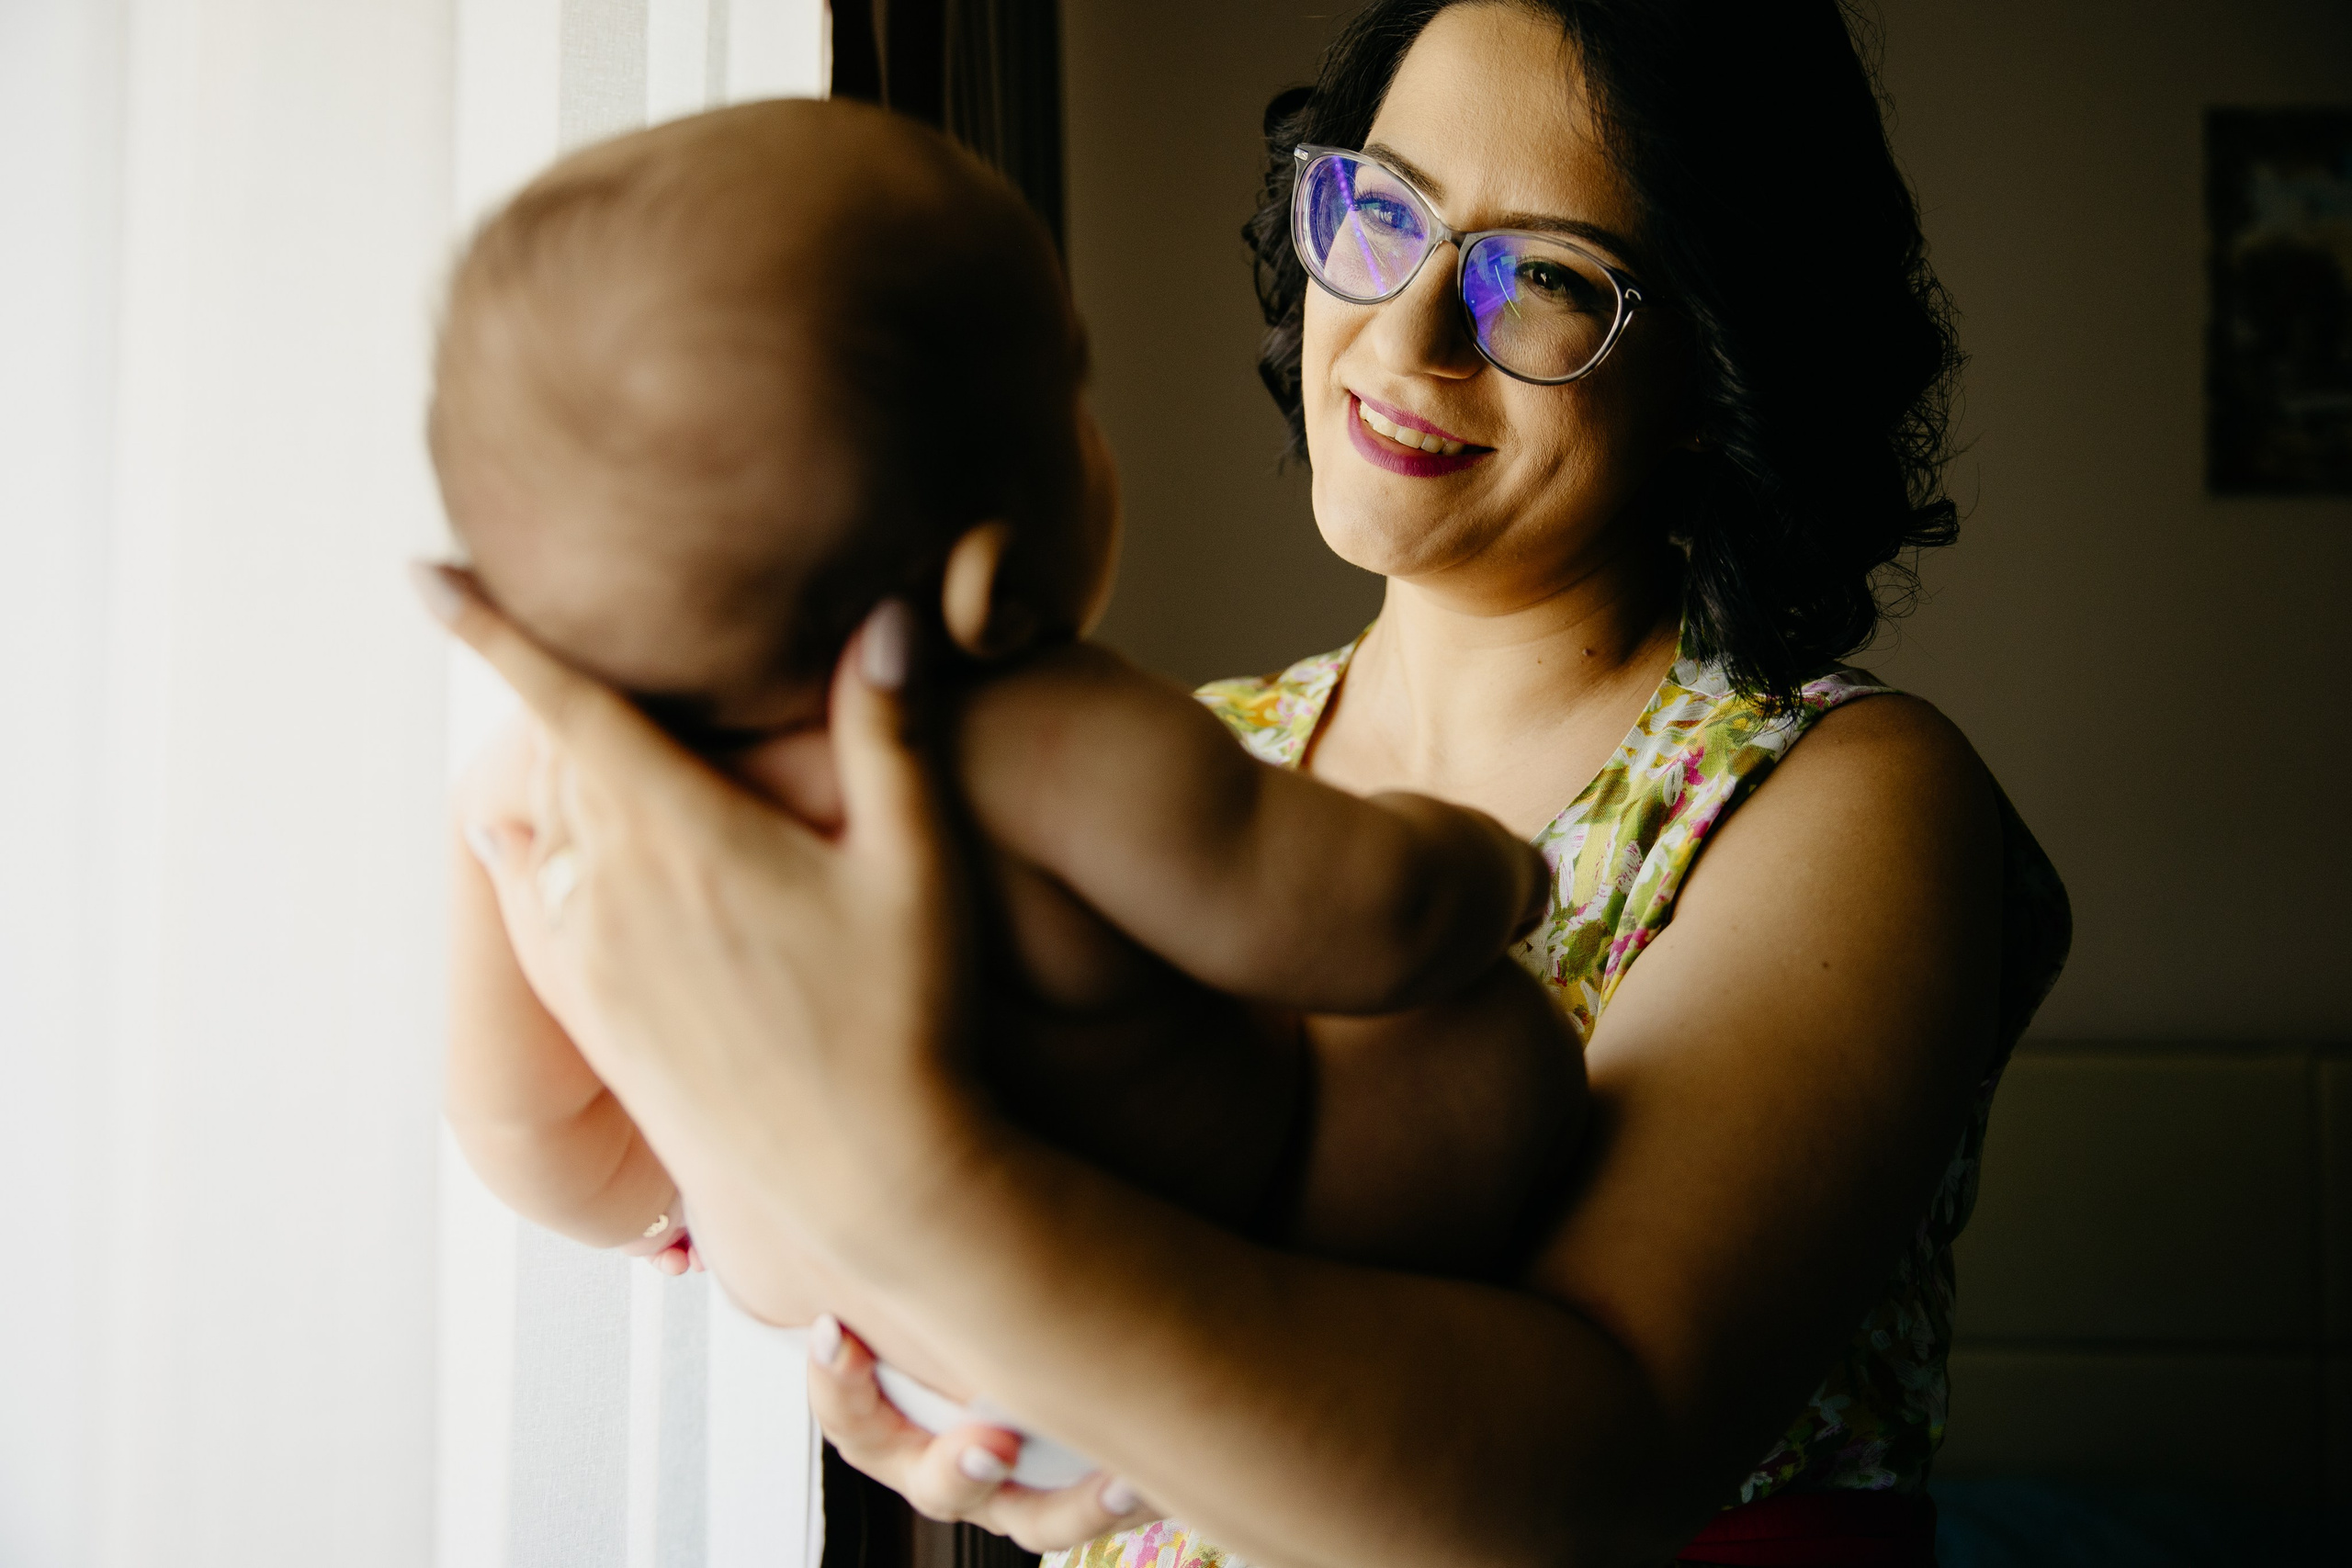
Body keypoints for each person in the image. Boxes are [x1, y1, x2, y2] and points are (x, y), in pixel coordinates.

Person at [423, 2, 2072, 1563]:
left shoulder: (1846, 795)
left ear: (1722, 370)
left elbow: (1593, 1474)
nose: (1411, 327)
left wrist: (932, 1215)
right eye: (1381, 207)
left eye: (1546, 279)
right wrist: (987, 1392)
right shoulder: (1188, 755)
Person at [429, 98, 1591, 1414]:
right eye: (1072, 393)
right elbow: (1361, 912)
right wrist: (1489, 874)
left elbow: (530, 1132)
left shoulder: (562, 801)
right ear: (988, 579)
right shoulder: (1041, 735)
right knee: (1483, 1036)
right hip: (1222, 1255)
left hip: (911, 1350)